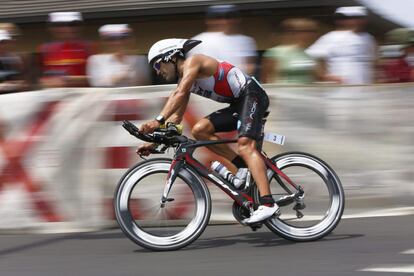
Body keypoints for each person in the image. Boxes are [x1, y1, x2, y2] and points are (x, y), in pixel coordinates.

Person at [137, 39, 279, 224]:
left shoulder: (193, 62)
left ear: (170, 57)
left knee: (245, 146)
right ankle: (242, 166)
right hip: (238, 103)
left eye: (157, 64)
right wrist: (153, 143)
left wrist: (157, 120)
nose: (157, 71)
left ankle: (268, 204)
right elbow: (175, 121)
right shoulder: (185, 82)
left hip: (253, 95)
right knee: (200, 130)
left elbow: (178, 95)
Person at [306, 6, 377, 84]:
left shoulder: (369, 38)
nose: (357, 21)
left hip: (366, 89)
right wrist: (324, 76)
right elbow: (308, 57)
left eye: (360, 17)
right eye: (353, 18)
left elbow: (373, 62)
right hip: (340, 91)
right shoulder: (332, 37)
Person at [188, 4, 257, 76]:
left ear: (237, 20)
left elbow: (249, 68)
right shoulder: (197, 41)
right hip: (208, 85)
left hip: (240, 85)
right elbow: (192, 70)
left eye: (229, 17)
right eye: (217, 17)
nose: (224, 21)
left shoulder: (246, 41)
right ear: (208, 20)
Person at [38, 12, 94, 88]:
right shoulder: (44, 49)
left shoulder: (88, 47)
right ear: (51, 28)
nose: (67, 28)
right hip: (54, 95)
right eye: (60, 25)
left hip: (82, 95)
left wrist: (66, 80)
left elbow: (97, 77)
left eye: (73, 25)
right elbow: (38, 78)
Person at [261, 18, 319, 84]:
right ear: (293, 33)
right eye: (306, 31)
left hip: (307, 92)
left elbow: (317, 77)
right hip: (283, 92)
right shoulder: (275, 53)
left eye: (313, 31)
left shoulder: (310, 53)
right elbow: (265, 79)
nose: (310, 34)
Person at [0, 29, 27, 93]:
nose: (3, 45)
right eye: (1, 42)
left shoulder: (15, 59)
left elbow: (23, 82)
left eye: (5, 42)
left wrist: (19, 84)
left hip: (15, 96)